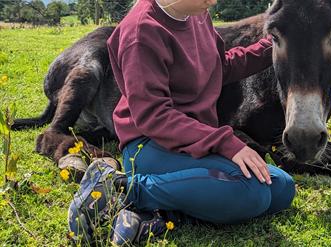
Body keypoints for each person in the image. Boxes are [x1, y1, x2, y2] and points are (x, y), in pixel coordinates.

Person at [67, 0, 296, 245]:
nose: (214, 1)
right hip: (151, 145)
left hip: (193, 141)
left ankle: (157, 215)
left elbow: (218, 67)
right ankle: (117, 187)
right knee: (252, 193)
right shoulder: (141, 33)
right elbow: (154, 116)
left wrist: (272, 46)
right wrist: (226, 142)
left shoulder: (196, 14)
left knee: (282, 188)